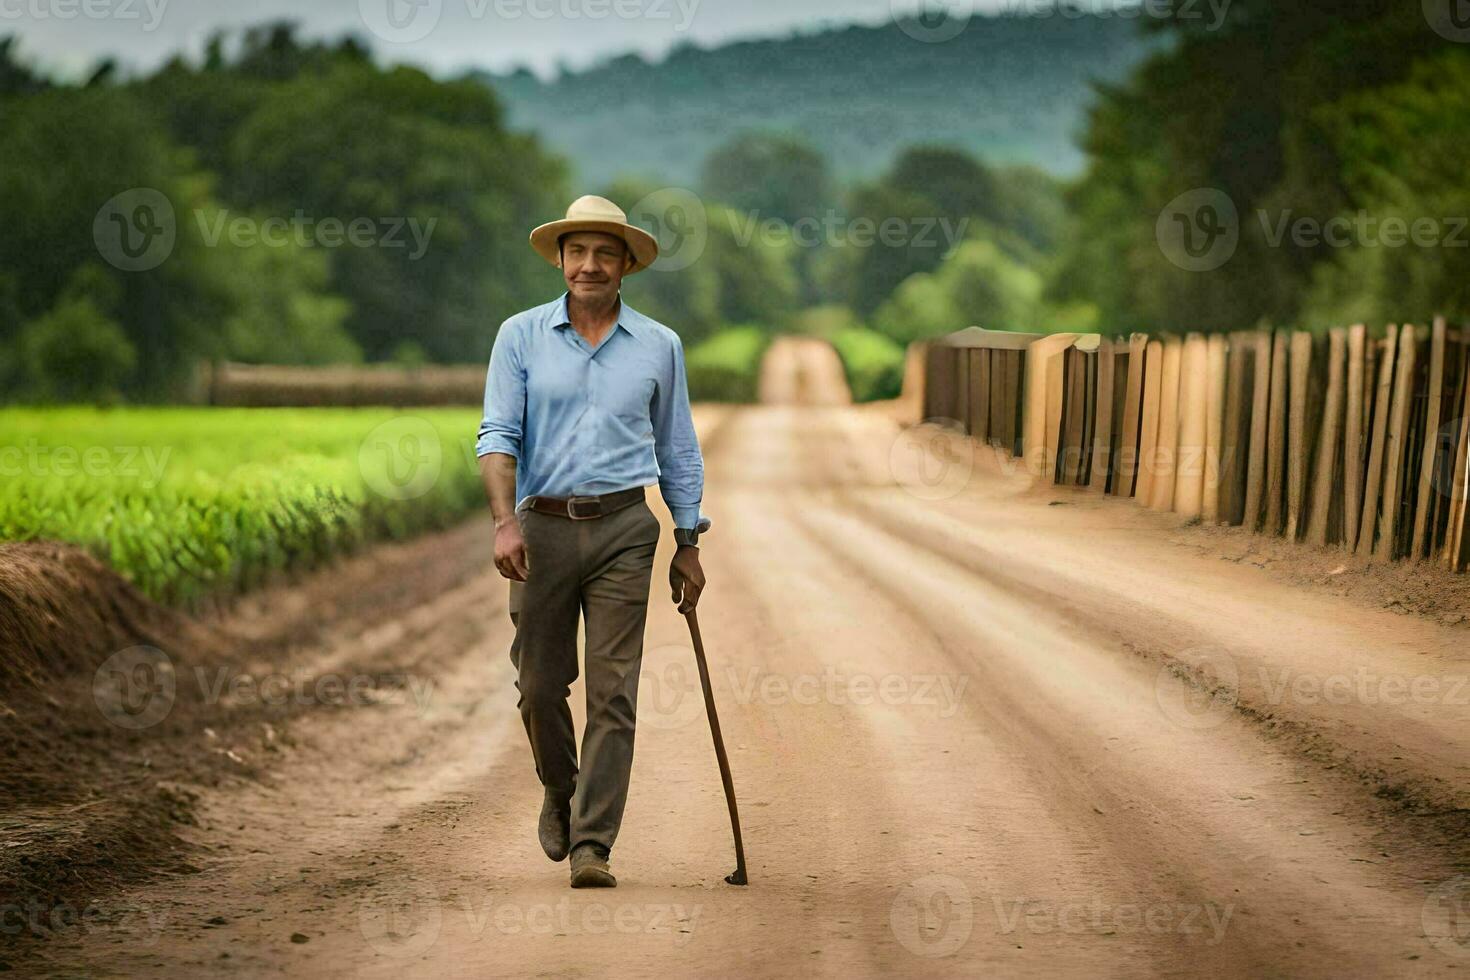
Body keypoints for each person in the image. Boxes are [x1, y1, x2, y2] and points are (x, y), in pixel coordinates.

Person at [475, 195, 711, 888]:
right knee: (539, 688)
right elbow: (497, 435)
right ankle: (560, 786)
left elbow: (678, 448)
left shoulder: (659, 346)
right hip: (540, 527)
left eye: (605, 253)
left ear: (626, 265)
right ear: (559, 259)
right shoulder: (518, 336)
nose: (589, 265)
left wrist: (688, 538)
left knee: (614, 694)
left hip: (624, 529)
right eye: (577, 252)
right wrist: (504, 520)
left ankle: (593, 844)